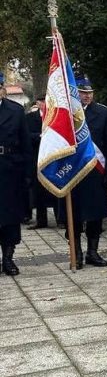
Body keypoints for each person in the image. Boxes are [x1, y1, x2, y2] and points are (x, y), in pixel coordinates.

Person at [66, 76, 107, 267]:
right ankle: (76, 252)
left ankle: (92, 252)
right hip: (73, 171)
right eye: (83, 92)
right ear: (75, 93)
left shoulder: (102, 112)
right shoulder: (66, 114)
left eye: (89, 92)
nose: (87, 96)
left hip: (96, 170)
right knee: (75, 214)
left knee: (96, 214)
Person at [0, 73, 30, 276]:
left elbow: (25, 144)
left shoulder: (16, 110)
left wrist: (27, 173)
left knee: (10, 217)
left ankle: (8, 259)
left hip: (10, 170)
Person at [25, 94, 61, 230]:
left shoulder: (56, 116)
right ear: (37, 103)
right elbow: (26, 135)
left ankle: (60, 219)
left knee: (56, 188)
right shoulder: (29, 118)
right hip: (37, 157)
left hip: (53, 158)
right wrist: (40, 136)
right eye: (42, 102)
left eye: (47, 101)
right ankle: (41, 220)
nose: (45, 104)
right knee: (38, 190)